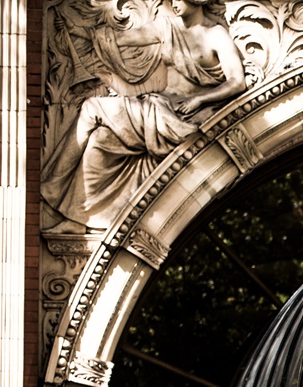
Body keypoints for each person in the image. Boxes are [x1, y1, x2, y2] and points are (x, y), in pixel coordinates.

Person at [41, 0, 246, 232]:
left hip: (184, 116)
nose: (175, 4)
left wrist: (200, 99)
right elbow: (120, 39)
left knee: (92, 108)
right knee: (100, 139)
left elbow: (237, 82)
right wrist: (77, 30)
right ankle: (81, 218)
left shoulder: (215, 35)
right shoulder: (167, 28)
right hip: (160, 108)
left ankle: (51, 186)